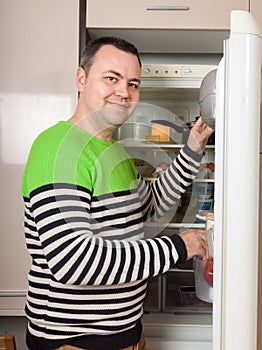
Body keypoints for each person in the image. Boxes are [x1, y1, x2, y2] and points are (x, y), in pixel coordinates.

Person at [22, 36, 214, 350]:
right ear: (81, 79)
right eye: (111, 78)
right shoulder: (59, 148)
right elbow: (74, 261)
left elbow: (152, 208)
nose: (124, 92)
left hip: (126, 334)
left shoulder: (115, 153)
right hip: (75, 342)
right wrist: (179, 246)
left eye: (133, 83)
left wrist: (194, 145)